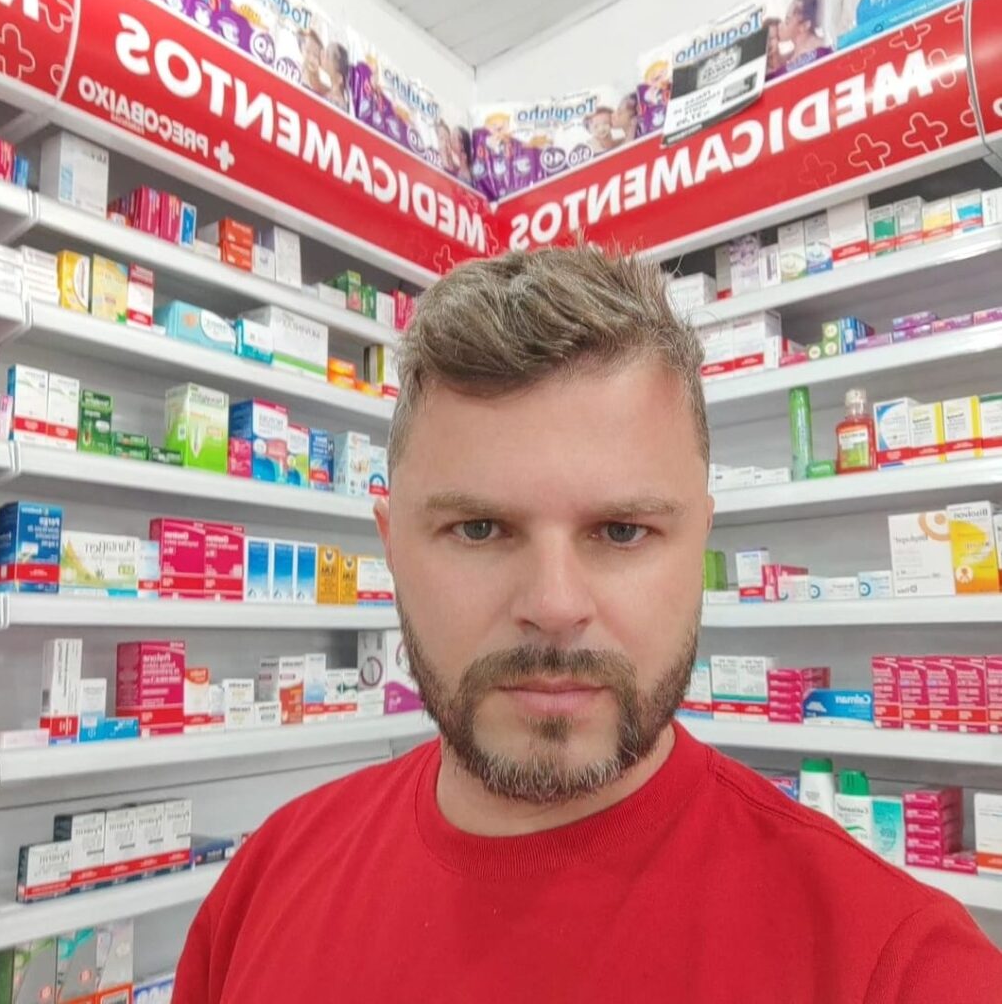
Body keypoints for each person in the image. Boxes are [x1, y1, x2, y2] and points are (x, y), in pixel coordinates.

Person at [173, 247, 1002, 1003]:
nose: (554, 603)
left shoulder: (900, 969)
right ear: (391, 547)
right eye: (478, 529)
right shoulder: (262, 886)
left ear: (699, 544)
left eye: (621, 531)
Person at [776, 0, 833, 75]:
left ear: (804, 26)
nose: (780, 26)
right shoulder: (790, 56)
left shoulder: (818, 51)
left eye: (787, 20)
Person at [321, 40, 350, 112]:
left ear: (339, 78)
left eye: (327, 55)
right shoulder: (329, 96)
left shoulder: (336, 103)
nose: (322, 54)